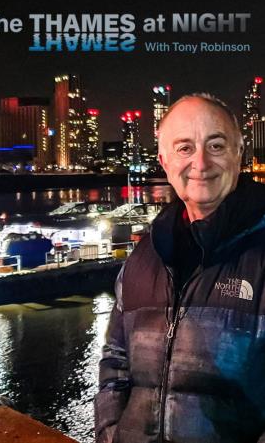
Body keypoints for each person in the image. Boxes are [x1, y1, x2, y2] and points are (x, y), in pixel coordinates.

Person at [95, 93, 265, 443]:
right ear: (164, 160)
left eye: (216, 145)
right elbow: (115, 361)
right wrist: (112, 434)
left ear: (239, 152)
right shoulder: (145, 255)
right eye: (185, 148)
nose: (200, 163)